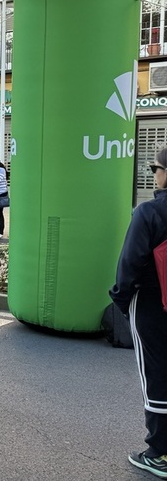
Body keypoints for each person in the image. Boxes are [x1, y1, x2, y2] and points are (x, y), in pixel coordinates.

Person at [111, 146, 167, 478]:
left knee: (156, 375)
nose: (154, 174)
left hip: (152, 303)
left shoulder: (149, 213)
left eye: (156, 168)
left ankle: (159, 453)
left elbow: (129, 264)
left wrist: (120, 299)